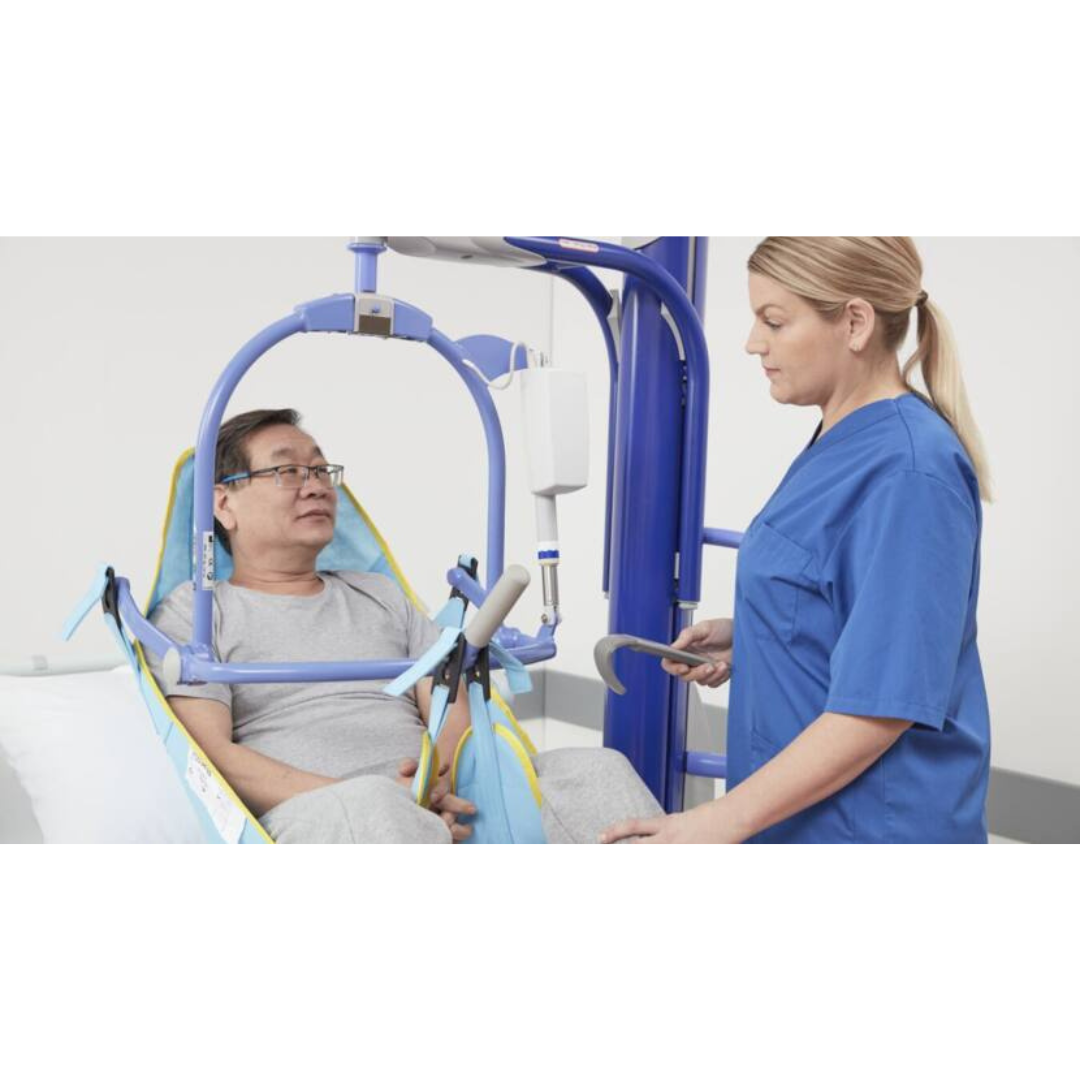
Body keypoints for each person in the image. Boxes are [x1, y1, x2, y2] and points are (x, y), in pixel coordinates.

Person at [601, 237, 992, 844]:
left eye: (774, 321)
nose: (753, 342)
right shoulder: (841, 436)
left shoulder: (912, 473)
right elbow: (848, 605)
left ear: (855, 322)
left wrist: (714, 822)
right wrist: (757, 635)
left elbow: (879, 707)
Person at [147, 408, 660, 843]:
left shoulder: (380, 595)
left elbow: (451, 710)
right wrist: (385, 799)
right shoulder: (197, 611)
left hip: (432, 797)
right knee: (372, 806)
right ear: (223, 504)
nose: (316, 487)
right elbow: (212, 757)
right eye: (288, 472)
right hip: (314, 812)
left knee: (594, 772)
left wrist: (435, 786)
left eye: (323, 471)